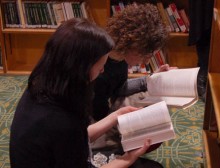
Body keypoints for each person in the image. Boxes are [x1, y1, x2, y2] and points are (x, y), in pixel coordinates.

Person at [9, 18, 152, 168]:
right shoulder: (61, 121)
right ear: (81, 68)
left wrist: (115, 116)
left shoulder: (44, 85)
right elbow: (71, 136)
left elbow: (77, 137)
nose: (103, 70)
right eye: (100, 66)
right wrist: (126, 160)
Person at [93, 3, 174, 121]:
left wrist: (151, 79)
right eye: (146, 55)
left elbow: (118, 88)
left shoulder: (120, 57)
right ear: (134, 46)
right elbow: (99, 118)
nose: (146, 62)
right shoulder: (98, 71)